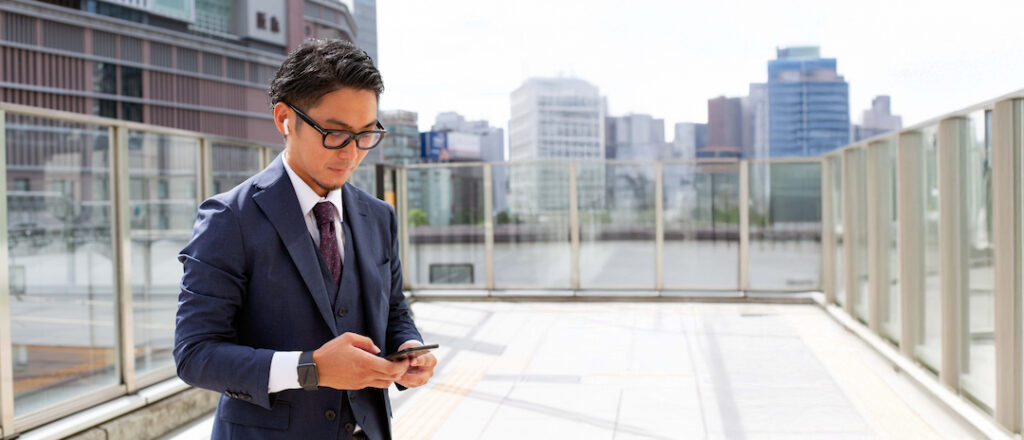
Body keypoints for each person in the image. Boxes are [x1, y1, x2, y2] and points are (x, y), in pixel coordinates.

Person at [173, 38, 436, 440]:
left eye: (366, 134)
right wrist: (309, 367)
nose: (351, 153)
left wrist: (410, 347)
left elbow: (394, 310)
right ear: (285, 118)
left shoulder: (379, 215)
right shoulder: (230, 218)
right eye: (334, 133)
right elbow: (195, 355)